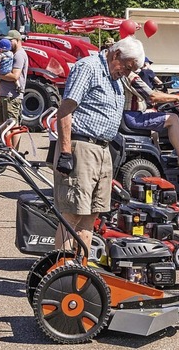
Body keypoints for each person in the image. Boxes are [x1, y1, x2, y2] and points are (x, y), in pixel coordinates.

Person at [53, 37, 137, 252]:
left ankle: (81, 274)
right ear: (116, 54)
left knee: (92, 214)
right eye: (127, 67)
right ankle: (62, 274)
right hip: (82, 147)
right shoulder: (88, 68)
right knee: (73, 213)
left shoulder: (116, 77)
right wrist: (65, 152)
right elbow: (65, 110)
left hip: (102, 149)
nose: (127, 73)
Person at [122, 71, 179, 170]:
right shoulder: (132, 77)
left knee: (158, 114)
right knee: (173, 119)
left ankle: (164, 153)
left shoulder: (123, 75)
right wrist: (177, 97)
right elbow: (153, 96)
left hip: (130, 115)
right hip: (134, 117)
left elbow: (149, 93)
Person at [0, 29, 28, 149]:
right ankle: (7, 148)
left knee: (13, 125)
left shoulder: (19, 55)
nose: (8, 43)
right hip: (5, 94)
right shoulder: (12, 54)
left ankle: (14, 152)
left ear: (17, 40)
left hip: (12, 96)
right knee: (3, 124)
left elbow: (15, 75)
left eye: (10, 40)